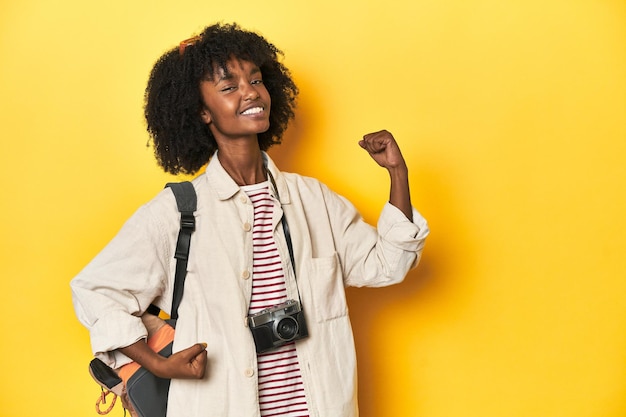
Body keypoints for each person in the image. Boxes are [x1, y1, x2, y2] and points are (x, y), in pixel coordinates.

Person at [71, 22, 429, 417]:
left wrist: (398, 174)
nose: (251, 92)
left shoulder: (312, 199)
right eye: (229, 87)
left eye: (255, 80)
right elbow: (96, 292)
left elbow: (388, 264)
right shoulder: (179, 211)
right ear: (202, 113)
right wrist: (157, 363)